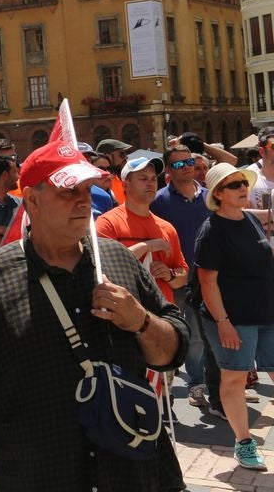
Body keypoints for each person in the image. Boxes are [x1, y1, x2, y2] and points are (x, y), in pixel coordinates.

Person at [0, 140, 188, 492]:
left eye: (87, 189)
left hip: (131, 472)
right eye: (68, 190)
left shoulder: (119, 261)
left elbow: (172, 352)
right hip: (37, 476)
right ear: (33, 200)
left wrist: (141, 321)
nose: (84, 200)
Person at [196, 162, 274, 469]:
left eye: (243, 182)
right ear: (218, 193)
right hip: (233, 317)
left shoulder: (248, 220)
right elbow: (207, 281)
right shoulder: (212, 230)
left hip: (264, 311)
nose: (243, 188)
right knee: (234, 378)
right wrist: (223, 323)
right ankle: (243, 443)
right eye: (234, 185)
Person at [150, 142, 211, 408]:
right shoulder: (159, 201)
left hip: (208, 277)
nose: (186, 168)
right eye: (178, 164)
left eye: (189, 162)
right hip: (175, 278)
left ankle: (212, 383)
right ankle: (195, 383)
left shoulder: (210, 196)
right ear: (169, 171)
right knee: (188, 334)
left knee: (209, 332)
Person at [95, 156, 188, 303]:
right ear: (125, 185)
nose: (150, 184)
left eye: (153, 179)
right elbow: (108, 270)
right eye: (143, 179)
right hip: (125, 316)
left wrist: (169, 275)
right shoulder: (107, 223)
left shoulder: (167, 228)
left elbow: (182, 277)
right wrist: (148, 246)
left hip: (164, 316)